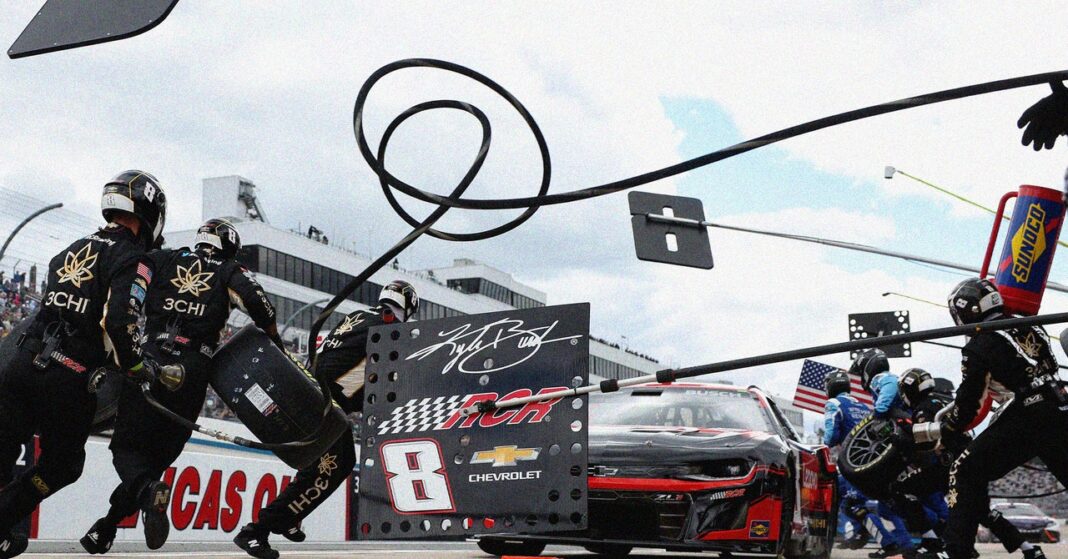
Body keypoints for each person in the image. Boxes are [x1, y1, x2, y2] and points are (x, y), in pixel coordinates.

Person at [79, 218, 281, 554]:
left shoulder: (163, 258)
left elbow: (126, 286)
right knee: (154, 464)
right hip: (193, 369)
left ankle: (121, 516)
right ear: (229, 248)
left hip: (151, 353)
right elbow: (262, 306)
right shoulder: (231, 270)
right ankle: (107, 528)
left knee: (126, 451)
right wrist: (276, 342)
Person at [0, 171, 168, 558]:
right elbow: (119, 323)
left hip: (22, 364)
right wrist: (138, 368)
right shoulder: (134, 258)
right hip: (67, 377)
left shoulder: (71, 248)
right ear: (149, 212)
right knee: (64, 465)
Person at [233, 280, 419, 559]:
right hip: (322, 403)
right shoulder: (390, 326)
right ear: (410, 306)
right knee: (340, 463)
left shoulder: (360, 316)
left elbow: (353, 373)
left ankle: (289, 517)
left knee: (317, 466)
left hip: (307, 390)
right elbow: (382, 382)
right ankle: (256, 531)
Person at [940, 277, 1068, 559]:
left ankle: (956, 551)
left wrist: (948, 430)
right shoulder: (1031, 324)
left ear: (966, 311)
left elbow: (968, 405)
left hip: (1027, 413)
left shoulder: (978, 346)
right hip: (1059, 403)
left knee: (964, 469)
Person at [894, 368, 1043, 559]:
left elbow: (930, 440)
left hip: (952, 467)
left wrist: (901, 439)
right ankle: (1029, 549)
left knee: (900, 490)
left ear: (910, 389)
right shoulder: (943, 401)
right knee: (982, 512)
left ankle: (934, 541)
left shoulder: (923, 408)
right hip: (972, 462)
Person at [823, 369, 904, 553]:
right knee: (866, 504)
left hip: (852, 464)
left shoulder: (833, 403)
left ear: (830, 386)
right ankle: (856, 535)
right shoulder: (861, 405)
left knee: (852, 505)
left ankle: (887, 544)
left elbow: (830, 437)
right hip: (873, 461)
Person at [847, 350, 915, 557]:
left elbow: (889, 392)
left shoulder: (883, 378)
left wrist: (879, 411)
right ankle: (917, 542)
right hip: (902, 436)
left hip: (904, 428)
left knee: (853, 504)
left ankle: (895, 543)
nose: (860, 378)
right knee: (890, 506)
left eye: (860, 372)